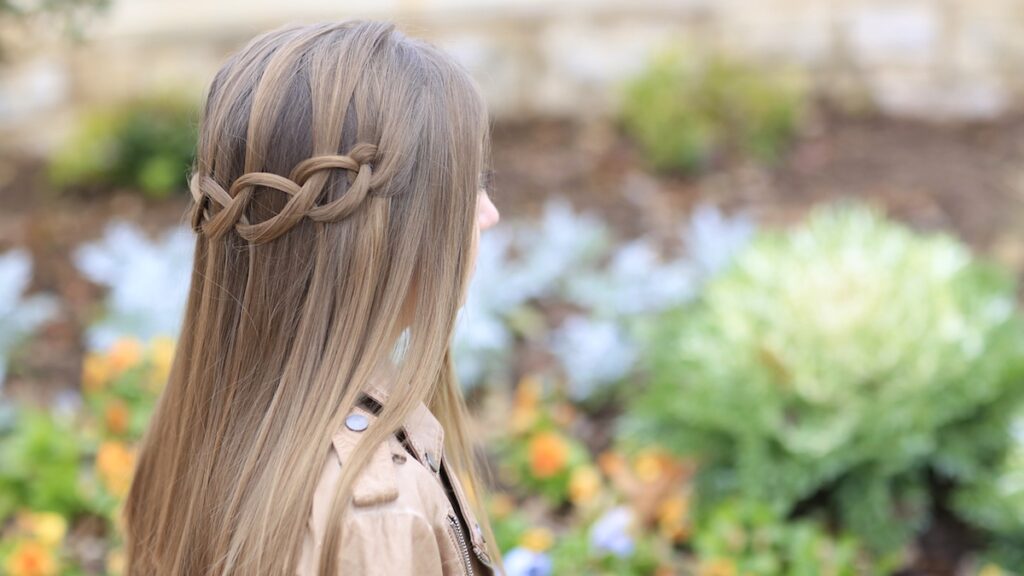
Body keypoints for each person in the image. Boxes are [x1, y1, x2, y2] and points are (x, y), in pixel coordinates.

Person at [123, 19, 503, 575]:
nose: (489, 214)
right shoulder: (378, 521)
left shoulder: (201, 432)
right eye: (467, 185)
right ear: (384, 236)